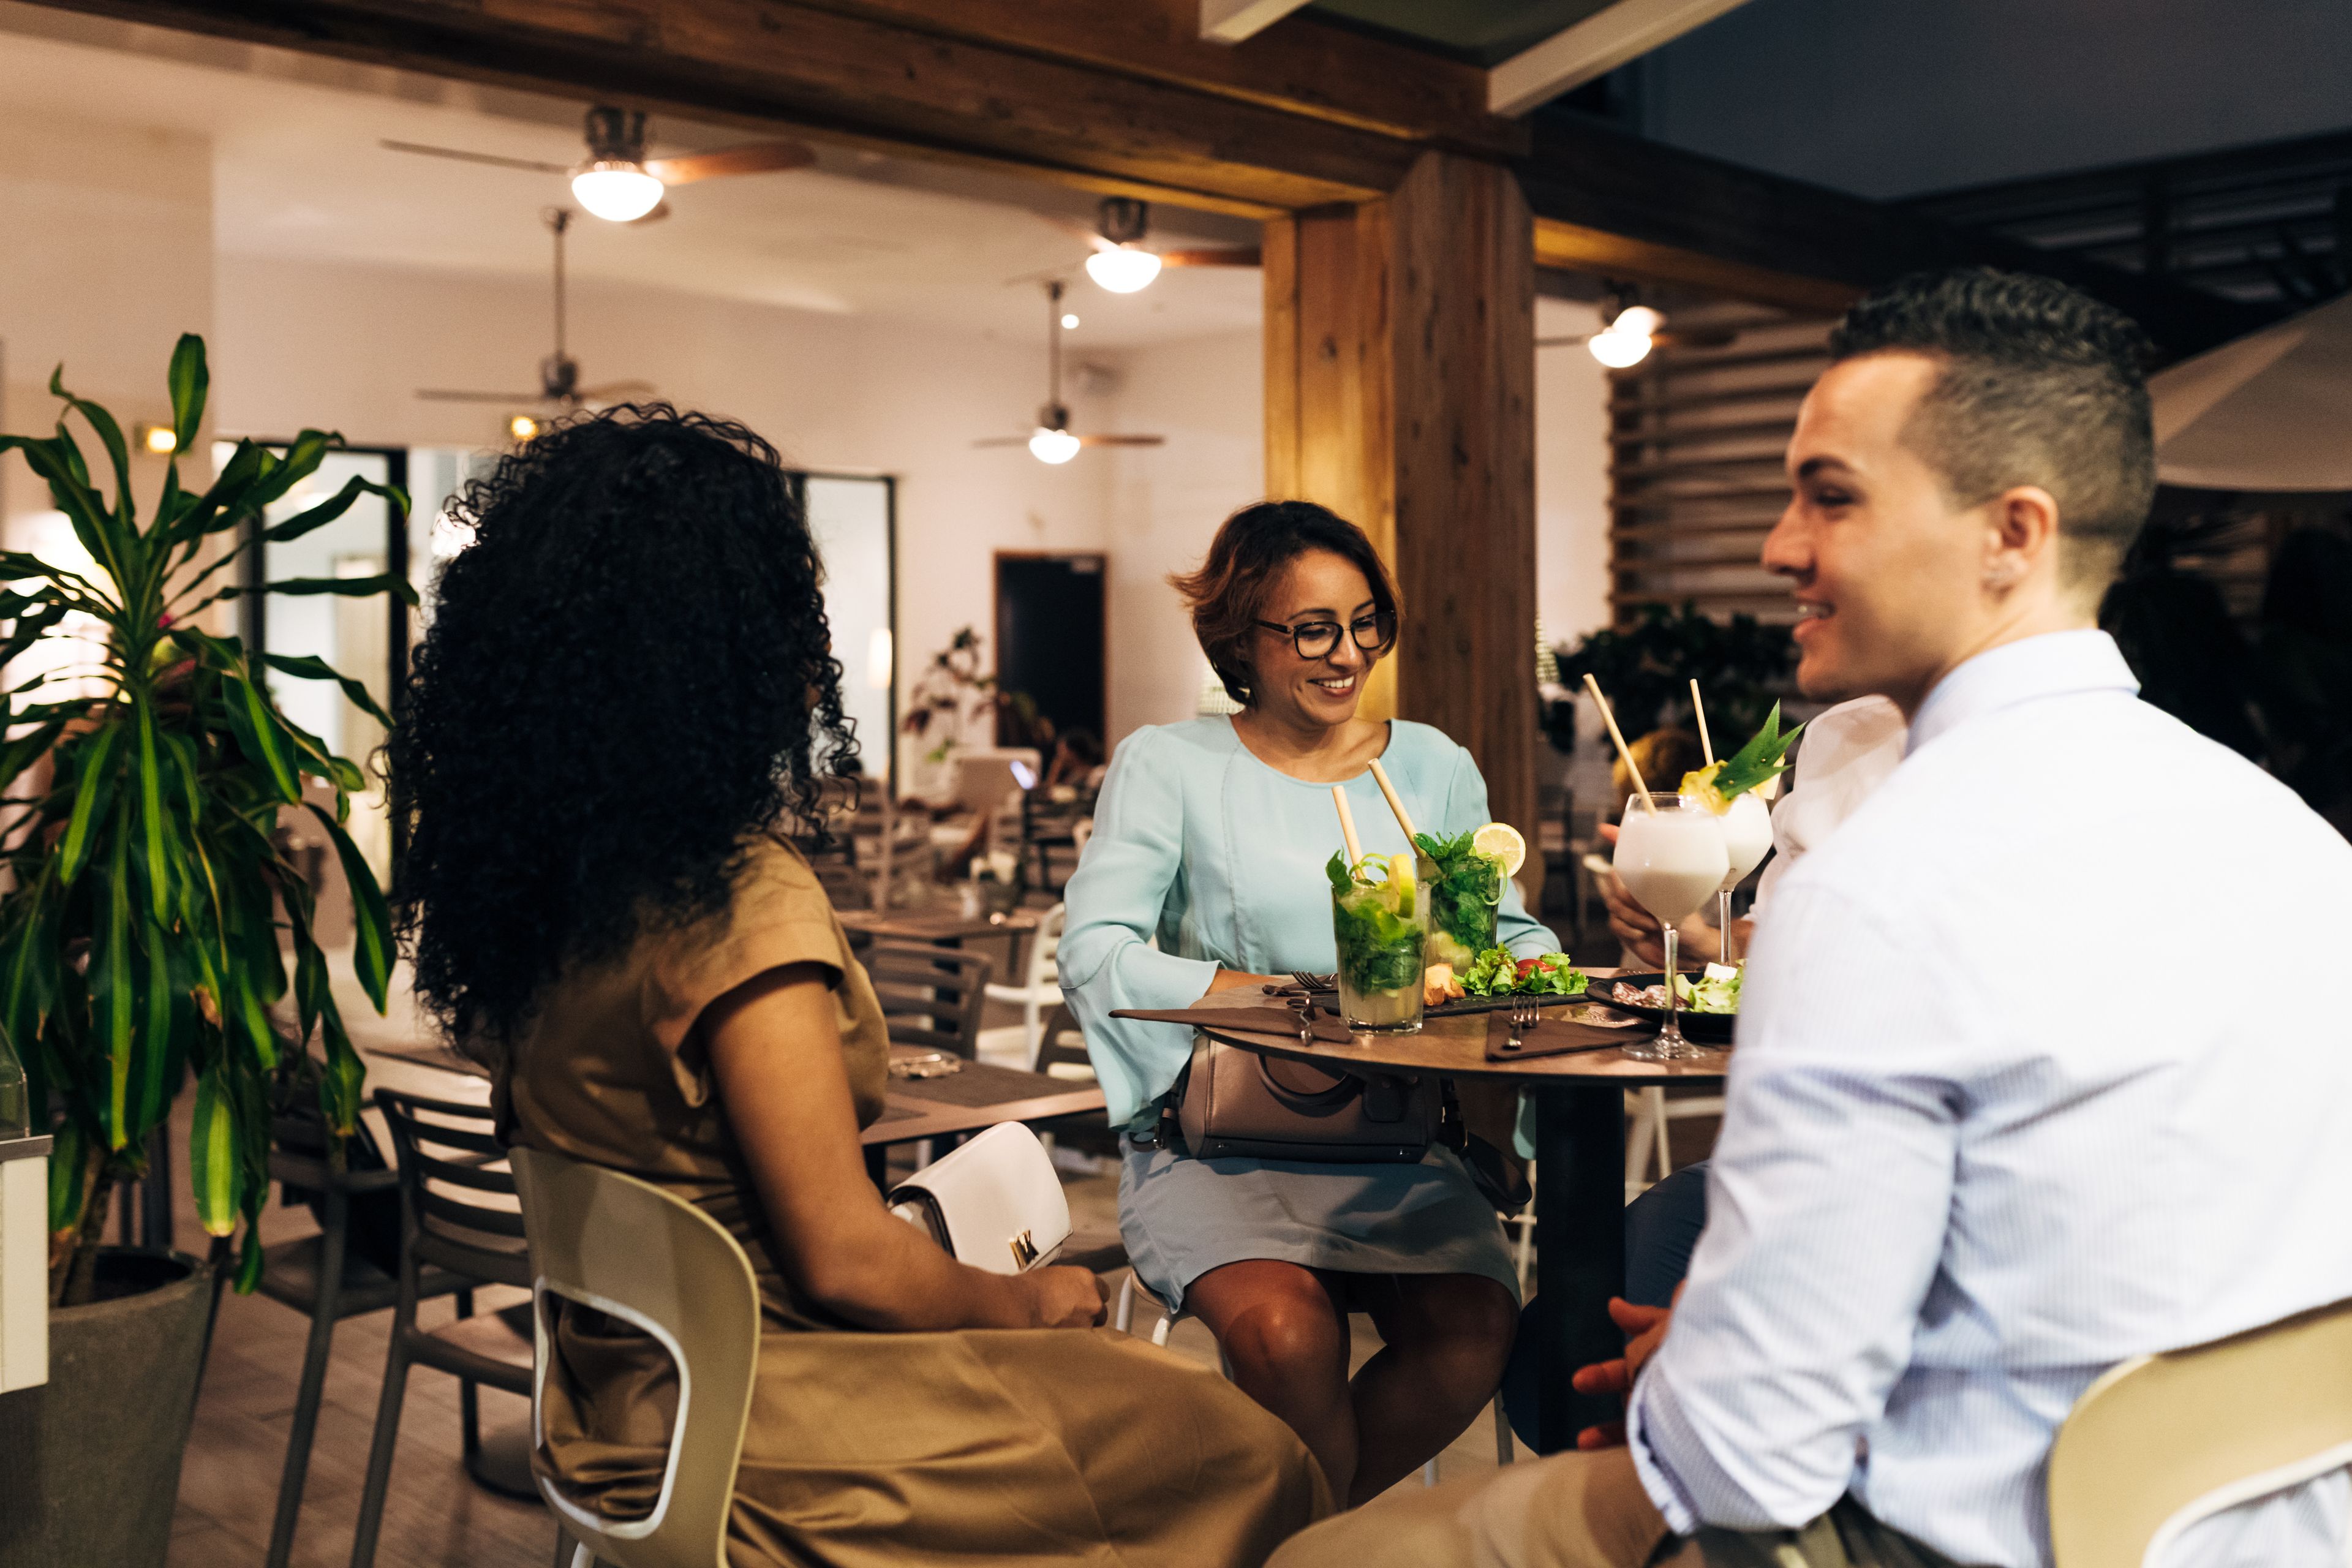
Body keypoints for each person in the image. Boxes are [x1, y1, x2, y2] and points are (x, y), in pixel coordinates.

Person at [1269, 267, 2352, 1568]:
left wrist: (1704, 1382)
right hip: (2262, 1520)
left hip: (1941, 1538)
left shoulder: (1883, 886)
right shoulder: (2293, 840)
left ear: (2013, 533)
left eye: (1831, 496)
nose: (1780, 546)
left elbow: (1742, 1461)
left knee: (1328, 1556)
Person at [389, 407, 1328, 1567]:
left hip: (619, 1410)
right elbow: (843, 1260)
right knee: (1247, 1454)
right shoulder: (734, 904)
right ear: (725, 644)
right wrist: (1026, 1305)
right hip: (774, 1413)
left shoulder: (547, 903)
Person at [1060, 500, 1548, 1505]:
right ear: (1242, 636)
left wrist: (1541, 971)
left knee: (1475, 1332)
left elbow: (1497, 933)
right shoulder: (1170, 764)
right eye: (1315, 630)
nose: (1349, 655)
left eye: (1366, 624)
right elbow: (1096, 951)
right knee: (1288, 1337)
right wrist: (1288, 998)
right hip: (1220, 1144)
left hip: (1399, 1144)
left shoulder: (1433, 767)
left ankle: (1278, 1539)